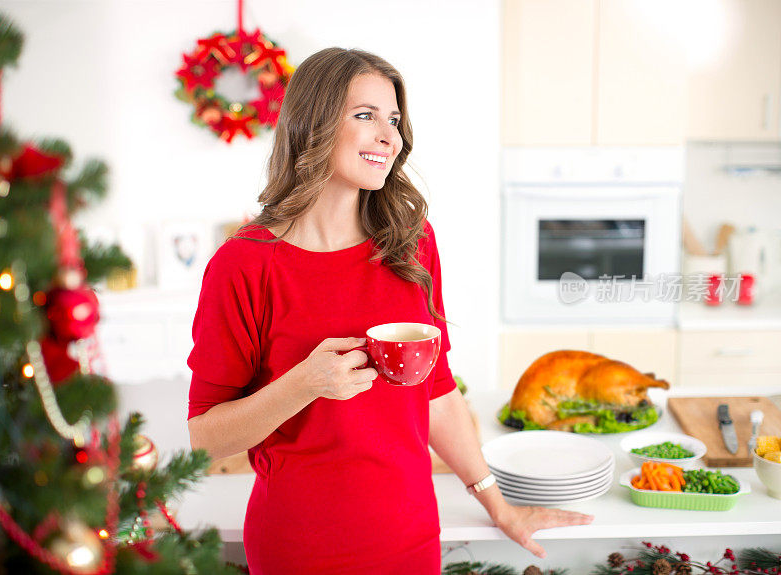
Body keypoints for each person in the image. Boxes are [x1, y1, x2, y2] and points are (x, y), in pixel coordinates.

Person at [186, 47, 593, 575]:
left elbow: (438, 393)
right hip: (298, 546)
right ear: (312, 124)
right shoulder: (244, 266)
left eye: (394, 119)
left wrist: (499, 505)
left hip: (409, 538)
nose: (390, 136)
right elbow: (205, 438)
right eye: (365, 115)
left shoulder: (411, 246)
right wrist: (304, 383)